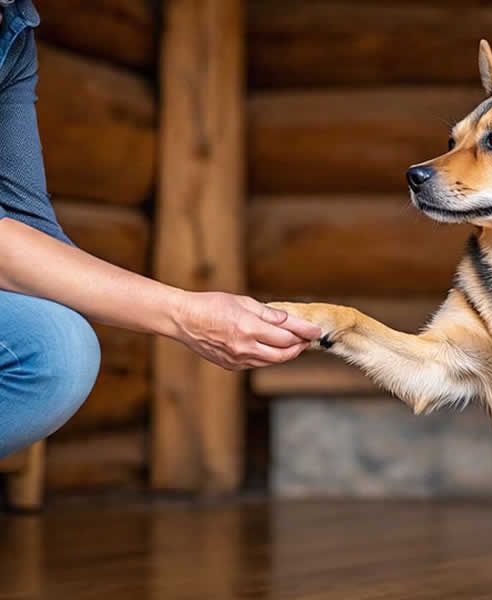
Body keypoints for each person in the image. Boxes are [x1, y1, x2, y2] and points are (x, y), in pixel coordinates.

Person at [0, 0, 320, 457]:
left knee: (57, 348)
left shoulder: (13, 31)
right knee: (48, 353)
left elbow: (26, 221)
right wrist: (185, 314)